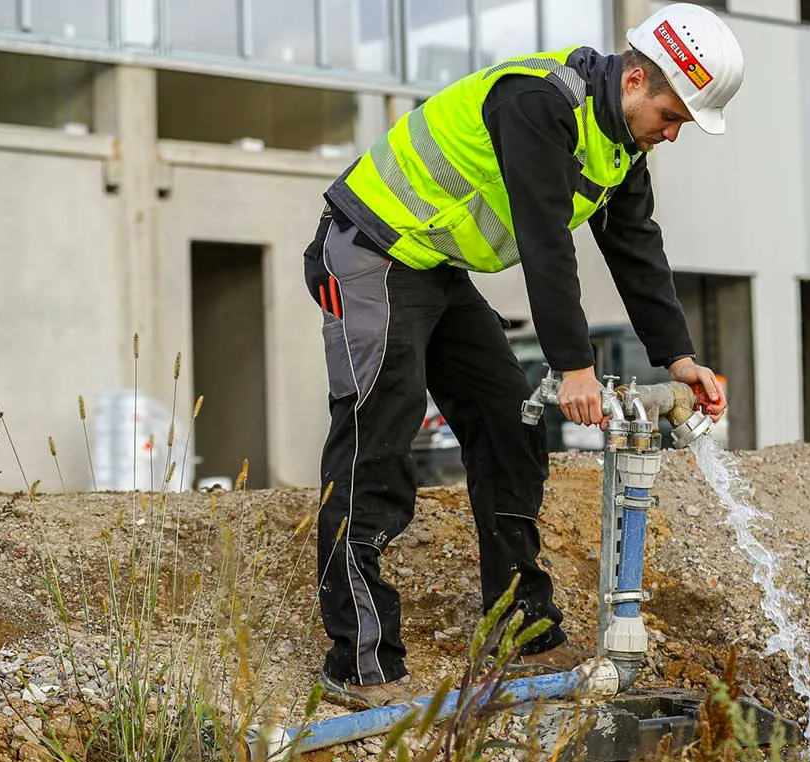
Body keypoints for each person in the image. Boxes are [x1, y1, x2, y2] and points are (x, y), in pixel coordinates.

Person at [302, 2, 746, 710]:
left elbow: (635, 243)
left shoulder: (620, 143)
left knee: (510, 425)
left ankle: (520, 630)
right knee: (376, 440)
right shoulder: (538, 102)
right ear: (635, 80)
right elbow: (546, 242)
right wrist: (574, 367)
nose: (671, 134)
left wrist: (679, 358)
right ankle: (358, 660)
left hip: (434, 267)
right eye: (672, 116)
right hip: (370, 252)